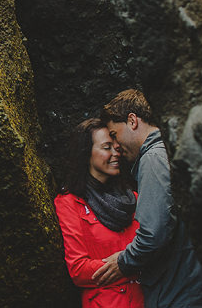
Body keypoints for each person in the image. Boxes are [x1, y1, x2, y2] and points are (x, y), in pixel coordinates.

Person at [93, 89, 202, 308]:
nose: (116, 146)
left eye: (114, 134)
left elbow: (154, 233)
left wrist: (123, 262)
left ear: (132, 120)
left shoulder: (152, 158)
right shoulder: (170, 150)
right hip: (197, 287)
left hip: (181, 295)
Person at [55, 118, 145, 308]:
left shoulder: (134, 198)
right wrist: (131, 264)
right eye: (106, 147)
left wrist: (124, 263)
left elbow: (155, 251)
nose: (115, 153)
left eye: (116, 147)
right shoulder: (70, 203)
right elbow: (79, 270)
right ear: (86, 154)